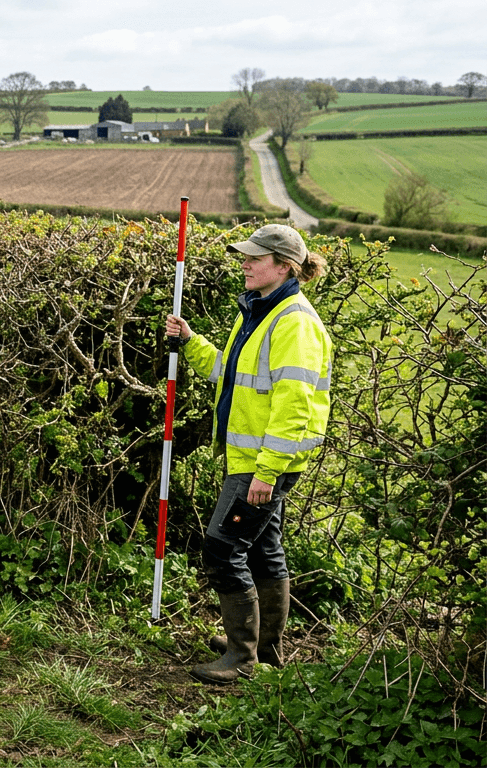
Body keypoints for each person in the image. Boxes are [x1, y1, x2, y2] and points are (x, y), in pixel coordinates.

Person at [165, 223, 331, 685]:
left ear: (283, 266)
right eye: (245, 256)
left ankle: (242, 656)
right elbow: (232, 373)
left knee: (222, 549)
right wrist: (191, 342)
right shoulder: (258, 311)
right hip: (254, 459)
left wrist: (267, 473)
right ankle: (266, 646)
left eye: (254, 258)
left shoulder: (293, 322)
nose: (244, 263)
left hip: (263, 462)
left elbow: (293, 406)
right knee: (264, 550)